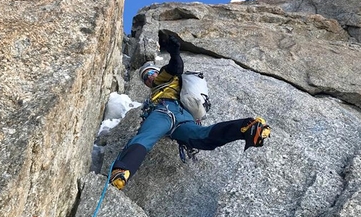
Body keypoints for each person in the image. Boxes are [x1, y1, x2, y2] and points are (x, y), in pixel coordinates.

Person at [110, 30, 270, 189]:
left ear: (157, 73)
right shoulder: (159, 87)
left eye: (151, 73)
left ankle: (123, 169)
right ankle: (245, 128)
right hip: (182, 119)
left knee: (147, 136)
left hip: (165, 111)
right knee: (202, 137)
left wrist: (175, 54)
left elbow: (176, 67)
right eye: (146, 78)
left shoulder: (164, 79)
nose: (149, 78)